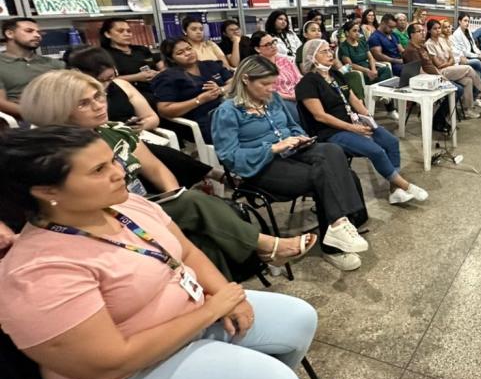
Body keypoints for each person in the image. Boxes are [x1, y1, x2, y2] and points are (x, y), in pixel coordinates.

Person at [0, 126, 318, 379]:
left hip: (187, 326)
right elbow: (111, 361)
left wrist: (227, 296)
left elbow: (185, 251)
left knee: (299, 318)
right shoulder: (39, 272)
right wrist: (212, 308)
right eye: (98, 170)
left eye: (113, 161)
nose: (120, 172)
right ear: (47, 191)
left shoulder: (123, 205)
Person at [19, 70, 315, 277]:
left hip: (145, 203)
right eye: (85, 102)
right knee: (195, 204)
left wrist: (172, 196)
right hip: (99, 217)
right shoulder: (50, 156)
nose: (99, 105)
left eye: (99, 96)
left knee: (200, 227)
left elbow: (156, 168)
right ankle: (264, 247)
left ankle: (217, 297)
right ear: (58, 109)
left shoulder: (114, 131)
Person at [212, 56, 370, 272]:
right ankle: (335, 239)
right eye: (265, 84)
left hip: (292, 153)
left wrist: (300, 138)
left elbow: (293, 127)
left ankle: (338, 225)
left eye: (273, 83)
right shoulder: (228, 111)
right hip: (261, 167)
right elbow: (229, 156)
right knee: (325, 175)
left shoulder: (274, 99)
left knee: (333, 150)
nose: (271, 89)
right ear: (246, 80)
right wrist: (272, 148)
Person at [296, 39, 428, 204]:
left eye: (330, 50)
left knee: (391, 142)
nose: (330, 54)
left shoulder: (335, 75)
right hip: (331, 132)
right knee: (377, 151)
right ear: (312, 57)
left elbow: (352, 99)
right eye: (324, 52)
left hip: (353, 123)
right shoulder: (307, 82)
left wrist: (368, 119)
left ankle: (395, 190)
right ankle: (405, 185)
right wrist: (352, 128)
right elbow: (320, 116)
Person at [67, 46, 216, 190]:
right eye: (100, 81)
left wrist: (141, 126)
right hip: (105, 142)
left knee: (146, 153)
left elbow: (152, 117)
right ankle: (208, 175)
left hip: (134, 134)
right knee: (149, 154)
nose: (104, 87)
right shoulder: (72, 101)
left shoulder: (122, 86)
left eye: (110, 78)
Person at [153, 38, 233, 144]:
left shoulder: (211, 65)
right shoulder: (168, 77)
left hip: (229, 109)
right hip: (204, 119)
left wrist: (221, 90)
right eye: (180, 53)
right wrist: (198, 100)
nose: (188, 53)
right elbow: (164, 110)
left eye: (189, 48)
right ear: (171, 59)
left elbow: (234, 82)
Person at [0, 17, 64, 119]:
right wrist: (37, 113)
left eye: (39, 32)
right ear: (9, 34)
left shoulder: (54, 64)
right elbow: (1, 103)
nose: (37, 35)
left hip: (61, 116)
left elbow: (71, 92)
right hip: (21, 122)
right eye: (29, 31)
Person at [424, 19, 481, 117]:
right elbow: (438, 65)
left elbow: (452, 57)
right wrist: (449, 62)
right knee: (468, 68)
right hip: (441, 72)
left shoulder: (443, 40)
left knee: (468, 80)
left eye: (439, 28)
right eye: (435, 29)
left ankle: (467, 109)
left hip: (450, 68)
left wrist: (448, 62)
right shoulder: (429, 44)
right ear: (429, 31)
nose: (438, 30)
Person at [99, 18, 162, 99]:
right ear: (108, 34)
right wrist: (137, 77)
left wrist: (158, 73)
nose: (127, 34)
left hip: (156, 90)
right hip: (128, 95)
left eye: (129, 31)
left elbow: (160, 65)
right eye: (120, 31)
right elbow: (106, 80)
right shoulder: (104, 55)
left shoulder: (142, 49)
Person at [440, 19, 481, 98]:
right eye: (445, 27)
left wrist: (478, 53)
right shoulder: (446, 39)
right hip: (455, 63)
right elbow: (452, 55)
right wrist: (471, 56)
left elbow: (462, 49)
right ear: (459, 21)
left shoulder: (453, 37)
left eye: (449, 26)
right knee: (476, 64)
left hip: (460, 59)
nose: (448, 29)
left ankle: (471, 104)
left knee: (472, 77)